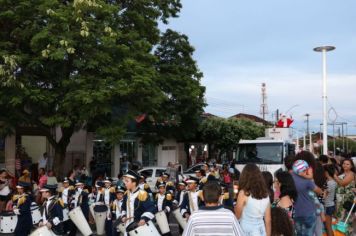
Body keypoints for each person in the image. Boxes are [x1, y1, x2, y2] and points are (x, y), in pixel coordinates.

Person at [235, 163, 271, 236]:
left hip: (246, 231)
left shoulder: (244, 193)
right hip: (261, 231)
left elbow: (237, 216)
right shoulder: (266, 195)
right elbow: (268, 220)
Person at [291, 159, 323, 236]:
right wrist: (310, 177)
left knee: (299, 233)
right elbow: (319, 191)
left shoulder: (290, 178)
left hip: (296, 212)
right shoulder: (307, 181)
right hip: (309, 212)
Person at [334, 159, 356, 227]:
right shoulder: (340, 173)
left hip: (347, 198)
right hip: (339, 198)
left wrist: (334, 176)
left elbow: (343, 183)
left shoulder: (351, 174)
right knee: (339, 217)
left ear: (351, 166)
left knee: (347, 218)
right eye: (344, 163)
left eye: (347, 164)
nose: (345, 165)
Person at [323, 164, 337, 236]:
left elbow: (324, 196)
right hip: (331, 205)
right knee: (329, 226)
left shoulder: (329, 183)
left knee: (328, 227)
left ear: (326, 172)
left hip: (328, 206)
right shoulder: (334, 182)